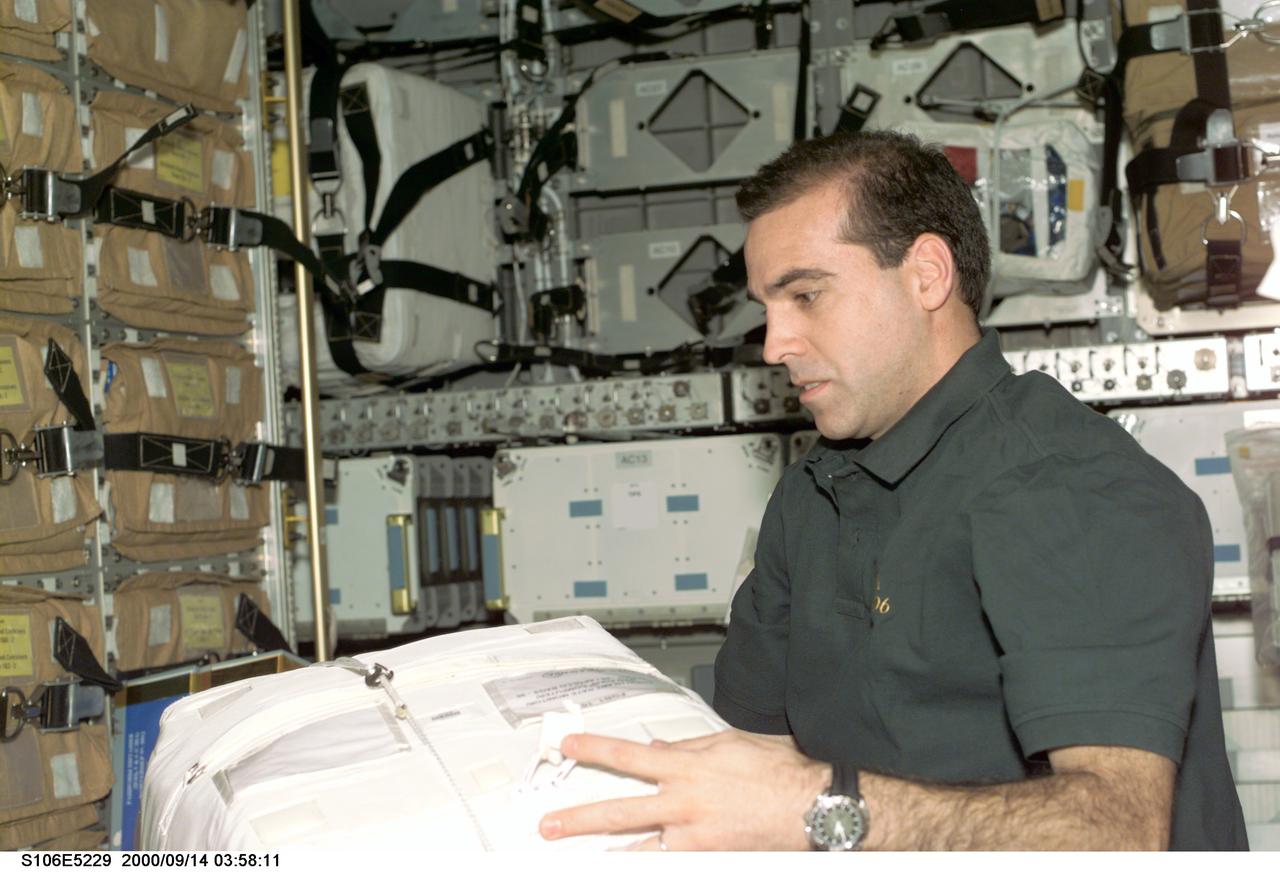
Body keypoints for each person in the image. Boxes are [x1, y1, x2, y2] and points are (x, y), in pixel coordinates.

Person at [535, 130, 1249, 851]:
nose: (774, 343)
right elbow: (752, 754)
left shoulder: (1069, 486)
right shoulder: (810, 495)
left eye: (806, 295)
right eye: (767, 308)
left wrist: (815, 810)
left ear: (928, 275)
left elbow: (1119, 833)